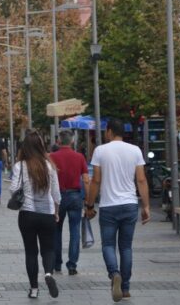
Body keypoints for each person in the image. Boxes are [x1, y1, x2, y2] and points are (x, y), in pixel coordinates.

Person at [85, 119, 150, 302]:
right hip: (130, 204)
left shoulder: (100, 151)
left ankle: (114, 273)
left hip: (108, 206)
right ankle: (126, 287)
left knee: (107, 245)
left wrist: (90, 205)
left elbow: (96, 181)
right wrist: (146, 206)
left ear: (110, 131)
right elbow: (141, 180)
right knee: (126, 247)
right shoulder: (135, 150)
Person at [10, 129, 61, 299]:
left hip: (27, 214)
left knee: (30, 251)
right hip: (47, 214)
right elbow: (56, 194)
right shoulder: (49, 166)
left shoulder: (20, 166)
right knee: (48, 249)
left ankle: (33, 289)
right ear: (41, 146)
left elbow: (13, 189)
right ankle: (48, 273)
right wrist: (56, 212)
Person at [50, 130, 90, 275]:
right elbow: (86, 179)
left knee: (56, 230)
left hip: (57, 198)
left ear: (58, 141)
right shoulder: (79, 157)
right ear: (72, 141)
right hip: (75, 196)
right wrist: (88, 200)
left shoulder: (51, 157)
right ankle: (72, 265)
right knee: (75, 231)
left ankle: (57, 263)